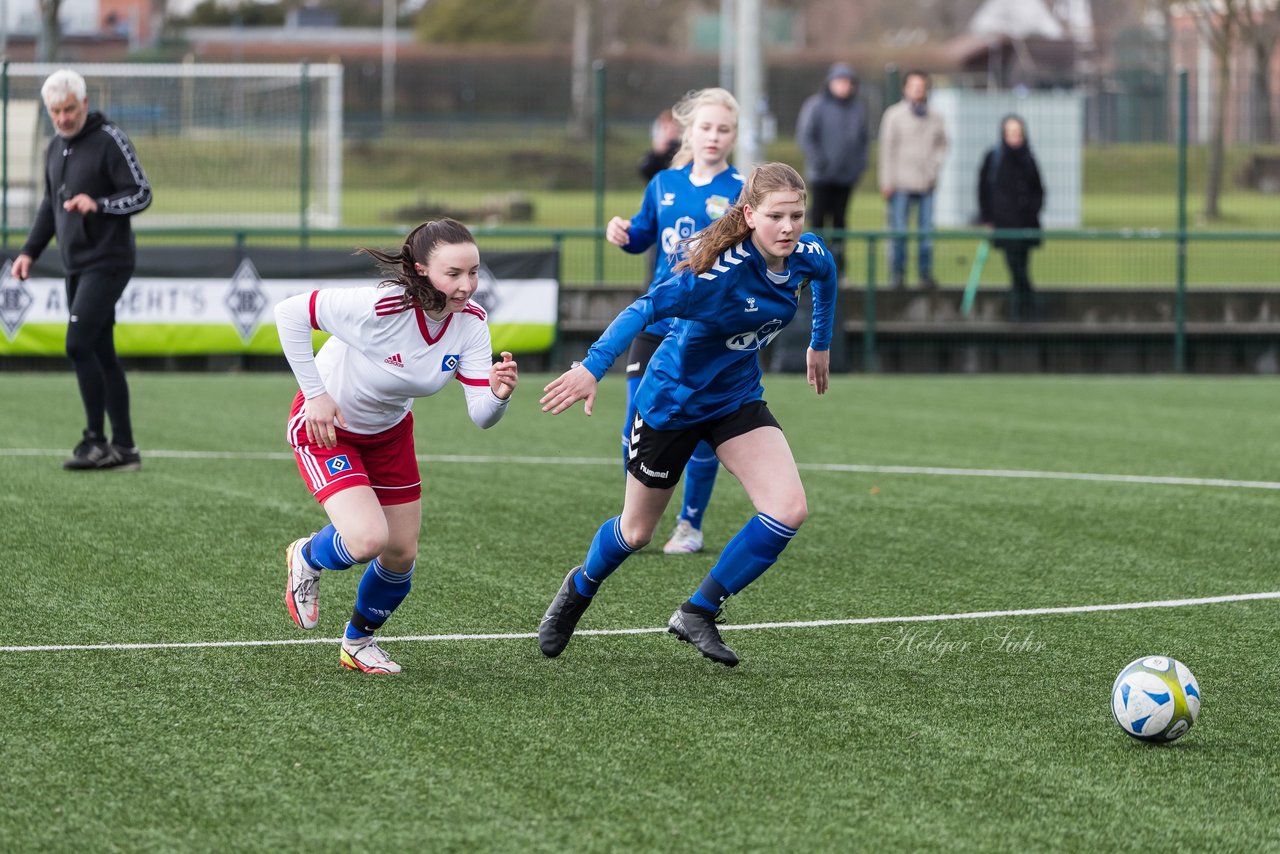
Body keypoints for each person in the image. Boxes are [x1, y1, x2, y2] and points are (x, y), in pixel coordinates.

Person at [539, 162, 837, 668]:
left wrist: (820, 343)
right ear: (748, 215)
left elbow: (826, 279)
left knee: (788, 509)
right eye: (775, 217)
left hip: (736, 400)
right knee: (636, 533)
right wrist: (592, 367)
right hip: (671, 404)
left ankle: (699, 611)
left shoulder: (807, 255)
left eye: (796, 215)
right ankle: (579, 587)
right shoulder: (713, 275)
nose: (788, 228)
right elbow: (642, 310)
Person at [274, 219, 519, 674]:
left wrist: (500, 395)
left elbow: (481, 415)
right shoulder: (382, 305)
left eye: (474, 272)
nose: (467, 286)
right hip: (327, 427)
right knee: (367, 540)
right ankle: (306, 556)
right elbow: (290, 313)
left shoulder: (471, 325)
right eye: (454, 274)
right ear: (422, 269)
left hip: (390, 434)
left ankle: (358, 643)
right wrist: (315, 395)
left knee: (401, 554)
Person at [605, 87, 745, 555]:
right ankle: (635, 518)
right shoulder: (663, 184)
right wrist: (622, 233)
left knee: (700, 427)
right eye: (705, 127)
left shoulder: (742, 192)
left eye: (723, 129)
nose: (713, 136)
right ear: (689, 131)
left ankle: (690, 524)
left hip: (707, 329)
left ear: (733, 136)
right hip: (661, 318)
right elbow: (643, 235)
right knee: (634, 420)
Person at [11, 69, 152, 471]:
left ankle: (95, 441)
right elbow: (48, 207)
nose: (62, 118)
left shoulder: (110, 139)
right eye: (55, 111)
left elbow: (142, 192)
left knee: (77, 344)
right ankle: (124, 449)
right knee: (100, 351)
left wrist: (100, 204)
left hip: (108, 261)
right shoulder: (54, 148)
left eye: (69, 109)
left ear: (84, 104)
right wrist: (29, 252)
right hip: (76, 265)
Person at [796, 62, 869, 280]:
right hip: (822, 176)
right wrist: (820, 161)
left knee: (840, 221)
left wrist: (858, 166)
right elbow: (806, 136)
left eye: (847, 82)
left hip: (846, 177)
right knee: (818, 220)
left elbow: (863, 141)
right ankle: (814, 264)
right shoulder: (816, 106)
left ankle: (838, 266)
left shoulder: (858, 109)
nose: (843, 87)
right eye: (839, 82)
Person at [878, 70, 948, 290]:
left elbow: (943, 144)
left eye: (922, 86)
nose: (918, 90)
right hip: (900, 184)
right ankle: (897, 274)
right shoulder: (894, 115)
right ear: (905, 89)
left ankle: (925, 274)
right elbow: (886, 150)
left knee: (926, 233)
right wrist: (887, 181)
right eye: (914, 86)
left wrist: (934, 167)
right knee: (898, 231)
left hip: (926, 183)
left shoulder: (936, 116)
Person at [978, 114, 1045, 322]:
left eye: (1017, 132)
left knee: (1021, 267)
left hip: (1025, 223)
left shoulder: (1029, 159)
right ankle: (1027, 311)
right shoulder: (994, 158)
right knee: (1016, 268)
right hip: (1004, 223)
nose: (1014, 137)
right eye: (1010, 132)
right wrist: (988, 218)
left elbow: (1038, 190)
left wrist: (1032, 210)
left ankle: (1022, 313)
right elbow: (983, 190)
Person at [637, 108, 681, 183]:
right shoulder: (656, 155)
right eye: (666, 128)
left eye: (673, 129)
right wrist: (657, 152)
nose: (670, 132)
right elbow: (645, 171)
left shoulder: (684, 151)